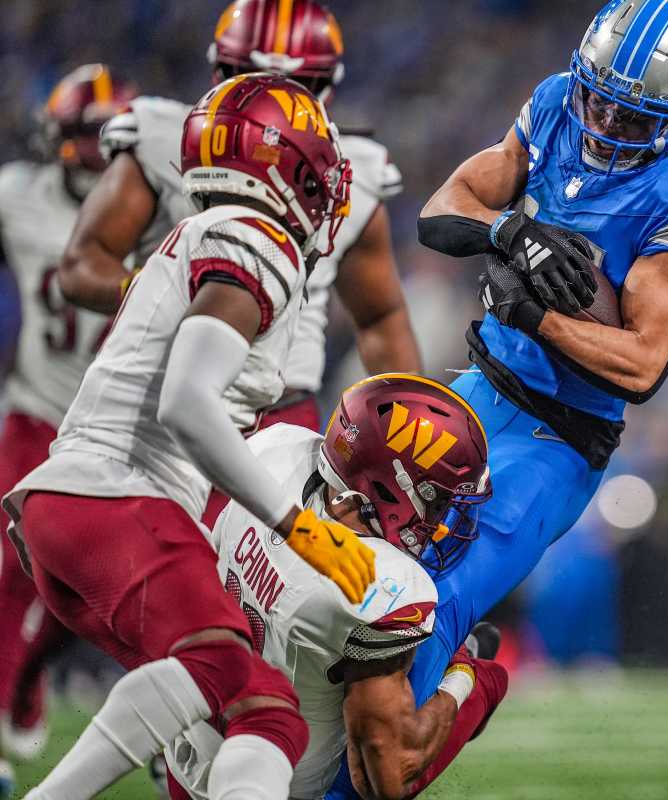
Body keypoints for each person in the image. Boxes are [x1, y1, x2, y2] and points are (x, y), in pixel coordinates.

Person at [346, 2, 668, 797]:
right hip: (470, 392)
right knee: (353, 563)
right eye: (598, 97)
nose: (601, 120)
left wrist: (533, 310)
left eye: (630, 115)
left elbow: (640, 365)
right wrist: (511, 235)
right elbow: (443, 210)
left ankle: (452, 698)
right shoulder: (557, 102)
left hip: (556, 440)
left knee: (429, 600)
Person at [3, 74, 376, 800]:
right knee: (219, 670)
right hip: (119, 500)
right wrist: (295, 523)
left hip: (72, 510)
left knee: (262, 711)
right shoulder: (256, 242)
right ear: (287, 169)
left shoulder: (195, 236)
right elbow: (187, 403)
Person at [61, 0, 420, 448]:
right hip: (161, 401)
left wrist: (409, 432)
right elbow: (81, 265)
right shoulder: (158, 135)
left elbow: (379, 319)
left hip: (280, 415)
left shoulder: (355, 170)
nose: (275, 97)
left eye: (298, 83)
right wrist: (162, 295)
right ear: (218, 72)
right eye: (247, 77)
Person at [164, 374, 508, 800]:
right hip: (269, 785)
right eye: (435, 502)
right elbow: (389, 776)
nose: (440, 522)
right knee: (481, 678)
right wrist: (464, 674)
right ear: (389, 483)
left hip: (186, 748)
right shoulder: (384, 583)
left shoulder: (276, 450)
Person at [0, 62, 137, 798]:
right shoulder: (17, 198)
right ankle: (9, 694)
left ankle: (31, 673)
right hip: (35, 407)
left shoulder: (156, 200)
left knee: (81, 584)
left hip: (121, 419)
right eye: (78, 137)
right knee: (14, 563)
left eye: (100, 137)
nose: (88, 153)